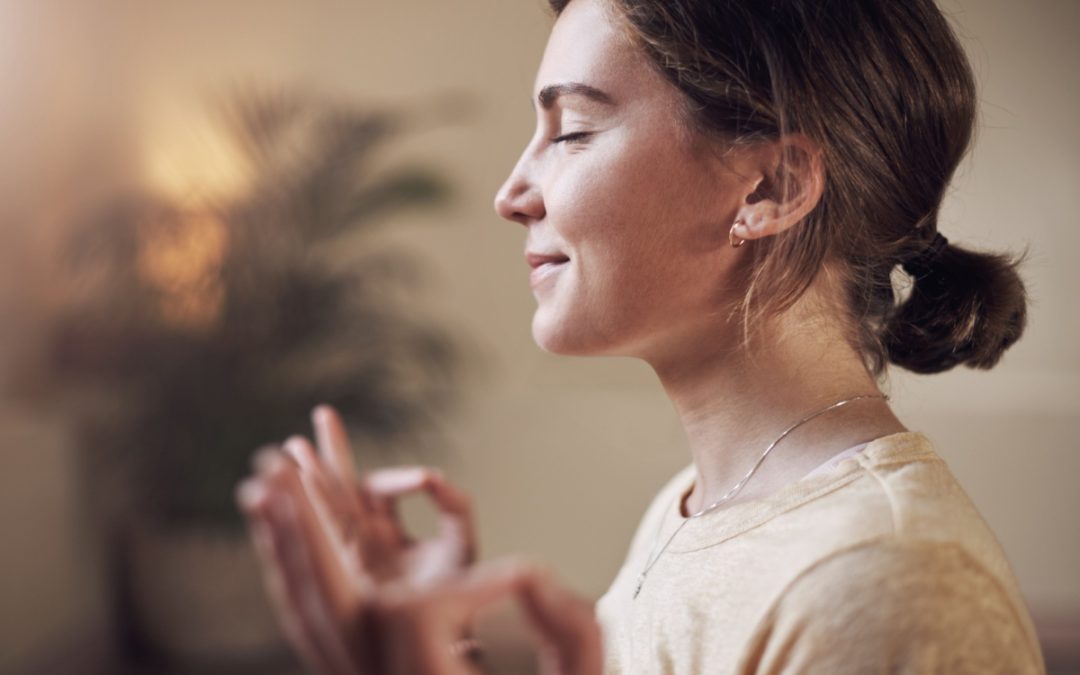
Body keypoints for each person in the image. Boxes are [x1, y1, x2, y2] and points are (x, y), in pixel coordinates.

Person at [236, 0, 1046, 672]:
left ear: (772, 186)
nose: (512, 193)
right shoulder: (694, 508)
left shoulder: (886, 583)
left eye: (572, 130)